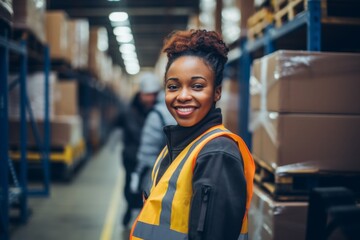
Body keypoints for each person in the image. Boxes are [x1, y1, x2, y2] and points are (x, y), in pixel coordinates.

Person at [130, 29, 255, 240]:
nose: (183, 96)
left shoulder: (217, 154)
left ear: (217, 92)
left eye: (197, 86)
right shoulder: (177, 146)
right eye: (173, 86)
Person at [120, 72, 161, 228]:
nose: (150, 98)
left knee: (148, 188)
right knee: (131, 187)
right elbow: (136, 134)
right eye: (147, 95)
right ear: (141, 94)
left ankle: (142, 215)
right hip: (132, 158)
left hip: (151, 159)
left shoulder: (158, 110)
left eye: (153, 95)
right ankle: (130, 209)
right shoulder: (130, 111)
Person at [130, 90, 176, 195]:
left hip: (159, 176)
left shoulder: (156, 115)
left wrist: (138, 173)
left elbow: (147, 151)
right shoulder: (191, 113)